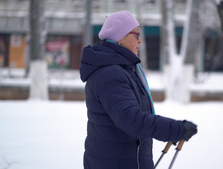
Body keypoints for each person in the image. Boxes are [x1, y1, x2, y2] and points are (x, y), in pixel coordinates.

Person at [80, 11, 197, 169]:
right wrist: (174, 129)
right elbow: (130, 119)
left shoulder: (124, 70)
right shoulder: (110, 74)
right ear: (120, 37)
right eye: (136, 35)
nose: (140, 40)